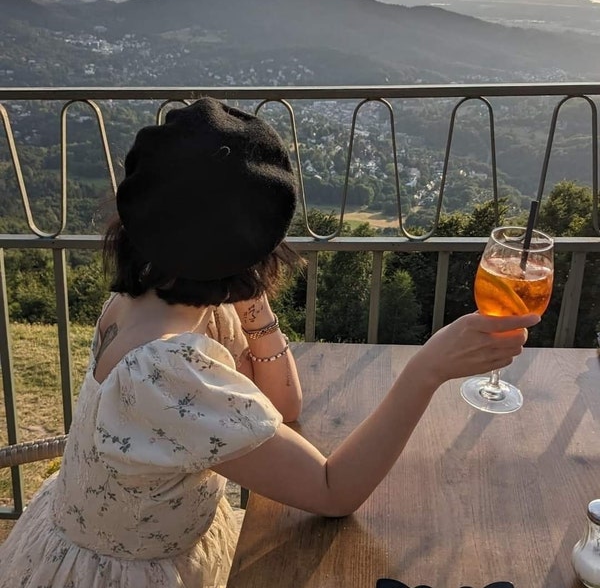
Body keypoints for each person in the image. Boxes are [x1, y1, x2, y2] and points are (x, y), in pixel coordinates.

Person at [0, 97, 540, 588]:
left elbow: (281, 405)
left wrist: (247, 301)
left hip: (98, 542)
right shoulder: (167, 370)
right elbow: (333, 492)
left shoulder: (147, 304)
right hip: (130, 573)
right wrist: (427, 369)